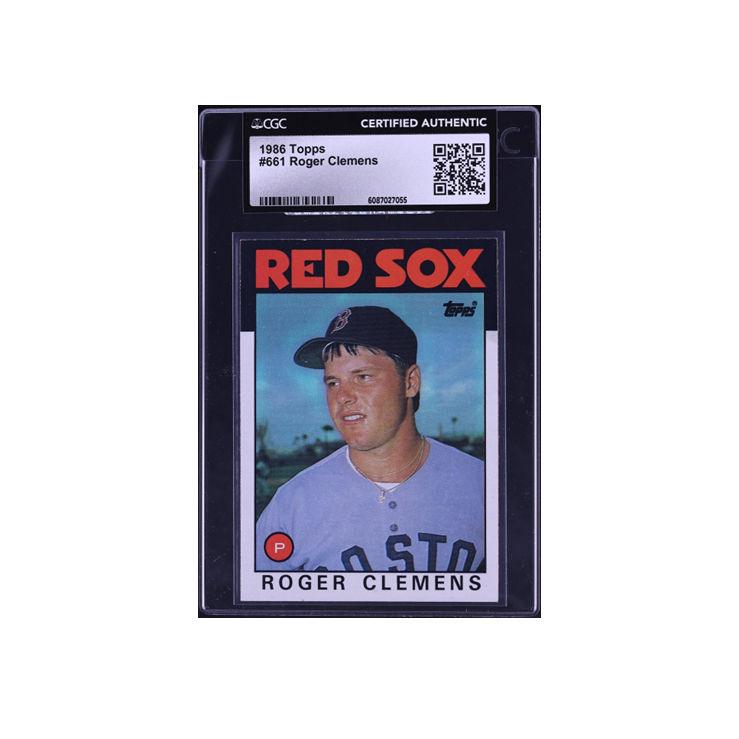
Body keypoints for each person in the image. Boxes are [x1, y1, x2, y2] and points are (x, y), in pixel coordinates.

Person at [256, 305, 484, 572]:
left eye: (363, 377)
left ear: (410, 382)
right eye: (333, 383)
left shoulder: (484, 486)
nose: (342, 397)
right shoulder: (292, 503)